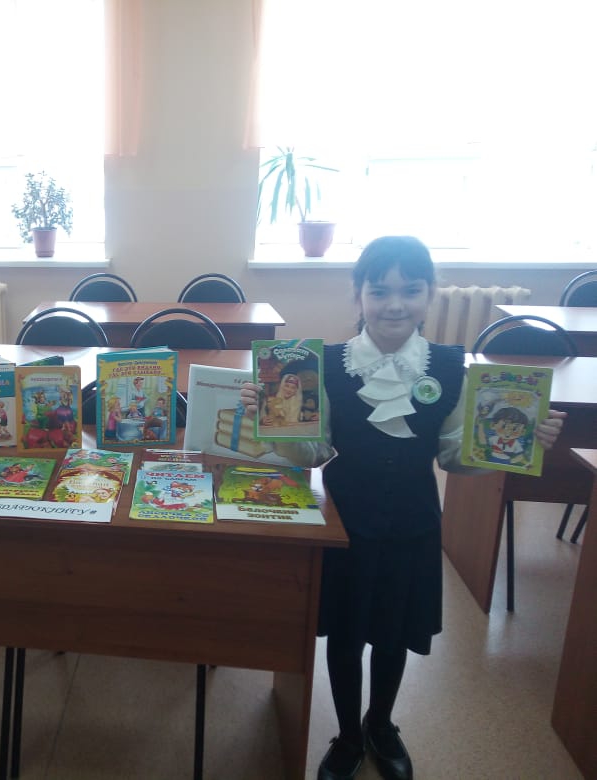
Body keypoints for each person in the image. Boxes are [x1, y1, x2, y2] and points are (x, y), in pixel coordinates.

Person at [239, 236, 565, 780]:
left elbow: (454, 456)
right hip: (344, 522)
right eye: (379, 291)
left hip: (414, 522)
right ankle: (347, 733)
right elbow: (314, 452)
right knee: (345, 638)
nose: (394, 304)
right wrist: (271, 425)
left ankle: (381, 725)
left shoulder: (450, 368)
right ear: (358, 296)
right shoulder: (325, 365)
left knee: (393, 636)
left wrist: (519, 444)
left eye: (410, 290)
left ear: (430, 295)